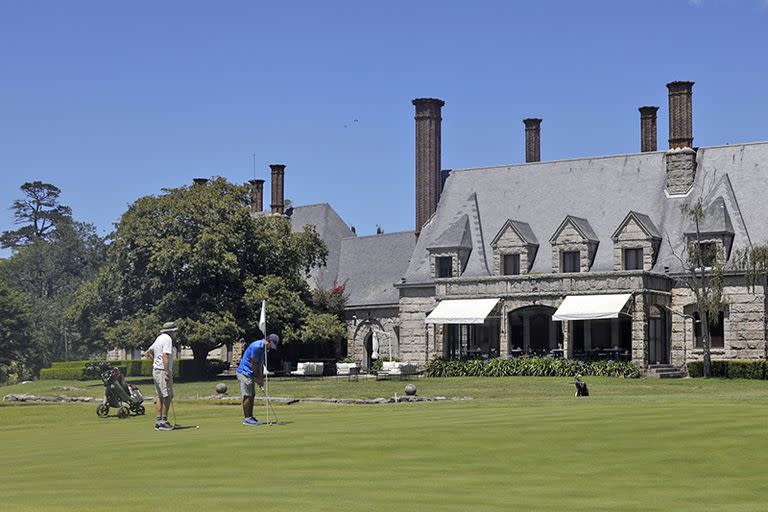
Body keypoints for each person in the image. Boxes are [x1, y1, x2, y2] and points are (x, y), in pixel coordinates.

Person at [236, 333, 279, 425]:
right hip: (244, 372)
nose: (271, 347)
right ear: (267, 341)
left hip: (251, 373)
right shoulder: (256, 346)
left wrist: (261, 378)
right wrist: (257, 378)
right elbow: (254, 364)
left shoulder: (264, 349)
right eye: (271, 345)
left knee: (252, 395)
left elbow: (260, 364)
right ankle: (247, 419)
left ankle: (250, 417)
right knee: (247, 395)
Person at [144, 321, 178, 431]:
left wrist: (154, 360)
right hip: (163, 370)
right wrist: (167, 371)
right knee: (167, 395)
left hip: (156, 370)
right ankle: (163, 421)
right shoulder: (167, 339)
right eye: (175, 331)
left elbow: (148, 352)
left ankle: (159, 422)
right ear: (171, 331)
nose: (175, 333)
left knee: (160, 396)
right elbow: (165, 355)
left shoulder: (159, 338)